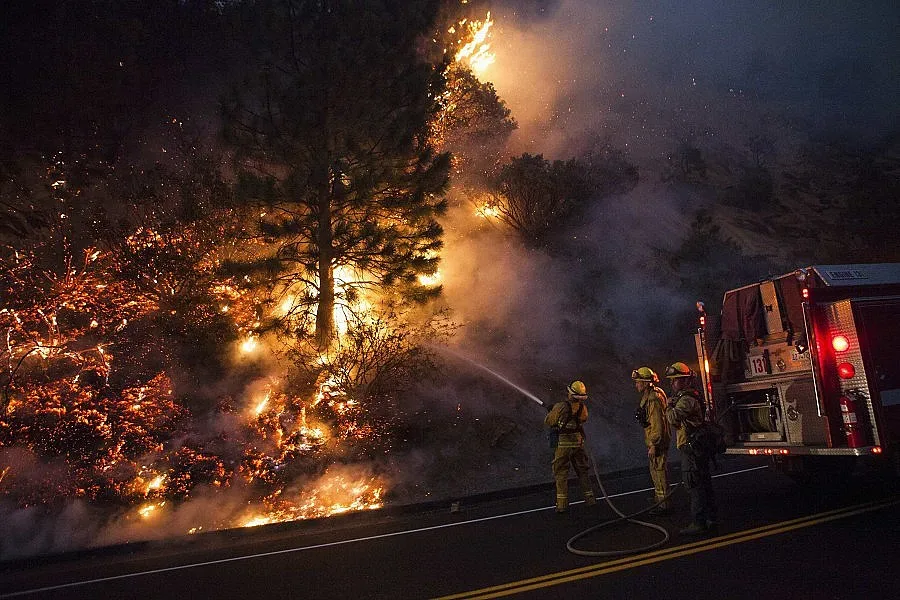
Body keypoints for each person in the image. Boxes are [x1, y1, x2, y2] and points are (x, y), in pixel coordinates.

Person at [664, 361, 718, 535]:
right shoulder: (690, 397)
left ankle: (699, 522)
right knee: (703, 483)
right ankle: (710, 518)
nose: (673, 384)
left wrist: (668, 405)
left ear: (686, 381)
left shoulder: (686, 400)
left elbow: (673, 418)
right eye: (672, 381)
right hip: (696, 448)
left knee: (693, 484)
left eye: (676, 380)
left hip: (691, 449)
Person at [544, 380, 597, 513]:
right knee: (583, 471)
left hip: (564, 444)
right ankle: (590, 499)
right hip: (578, 443)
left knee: (561, 472)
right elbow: (582, 420)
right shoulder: (583, 408)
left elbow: (549, 421)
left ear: (571, 394)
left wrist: (553, 411)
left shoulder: (561, 406)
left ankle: (562, 505)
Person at [631, 367, 671, 515]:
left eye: (638, 382)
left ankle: (664, 505)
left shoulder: (653, 399)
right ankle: (659, 498)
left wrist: (654, 444)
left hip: (657, 441)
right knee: (655, 470)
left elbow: (657, 424)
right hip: (655, 440)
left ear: (646, 382)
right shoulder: (652, 394)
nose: (636, 385)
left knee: (659, 471)